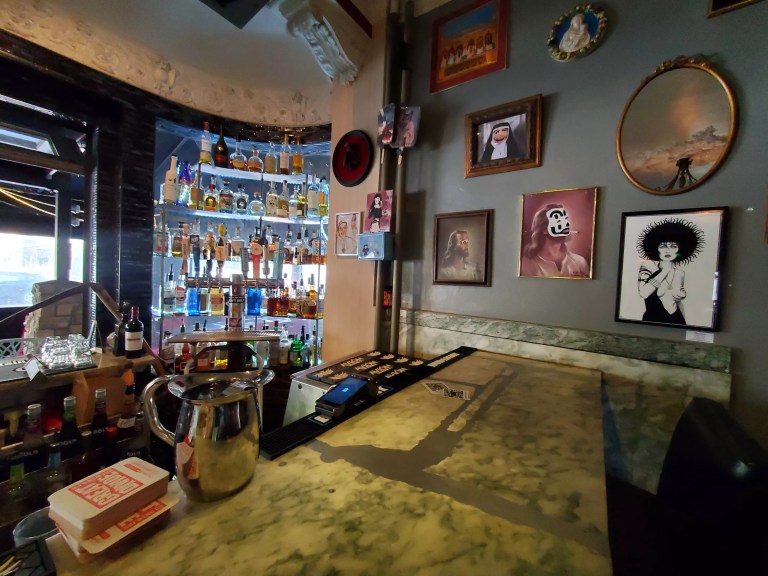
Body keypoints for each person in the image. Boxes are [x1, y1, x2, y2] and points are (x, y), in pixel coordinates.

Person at [636, 218, 704, 325]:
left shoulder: (680, 273)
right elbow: (644, 293)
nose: (667, 250)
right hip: (653, 319)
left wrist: (681, 294)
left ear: (679, 250)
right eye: (663, 246)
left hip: (676, 319)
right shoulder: (648, 265)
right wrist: (664, 271)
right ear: (657, 249)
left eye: (673, 246)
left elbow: (678, 301)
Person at [520, 204, 590, 278]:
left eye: (565, 219)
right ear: (544, 230)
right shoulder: (526, 265)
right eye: (559, 221)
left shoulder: (580, 262)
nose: (566, 224)